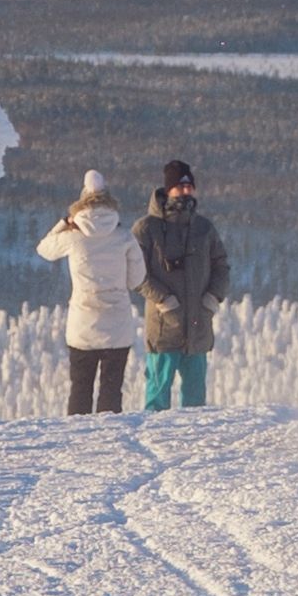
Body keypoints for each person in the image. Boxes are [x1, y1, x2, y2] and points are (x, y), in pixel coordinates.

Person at [39, 166, 147, 417]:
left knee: (80, 388)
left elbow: (43, 249)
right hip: (117, 323)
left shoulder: (73, 237)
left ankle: (77, 440)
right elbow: (137, 279)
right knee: (111, 389)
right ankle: (108, 440)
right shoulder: (124, 237)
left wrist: (64, 224)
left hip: (83, 324)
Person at [136, 157, 230, 412]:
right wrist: (163, 299)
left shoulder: (204, 228)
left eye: (190, 185)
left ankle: (193, 445)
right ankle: (154, 441)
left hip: (198, 325)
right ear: (168, 189)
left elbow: (221, 265)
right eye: (180, 185)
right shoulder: (147, 229)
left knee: (196, 401)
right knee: (157, 397)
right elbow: (134, 273)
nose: (186, 190)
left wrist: (213, 297)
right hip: (164, 327)